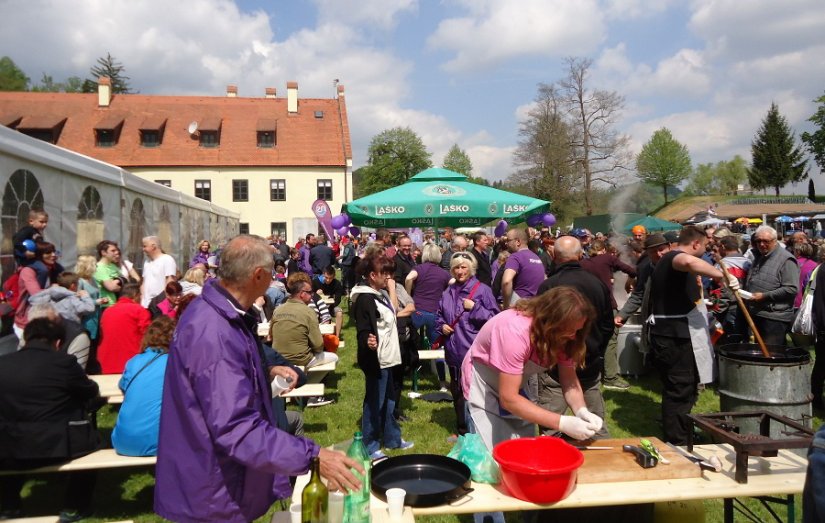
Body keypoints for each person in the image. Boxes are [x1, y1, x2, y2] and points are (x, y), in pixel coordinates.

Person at [155, 235, 361, 522]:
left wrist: (265, 371)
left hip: (216, 478)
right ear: (259, 275)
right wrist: (314, 456)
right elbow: (236, 428)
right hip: (211, 490)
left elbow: (218, 381)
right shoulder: (213, 330)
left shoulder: (222, 315)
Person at [461, 286, 603, 453]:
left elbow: (568, 379)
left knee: (520, 451)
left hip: (515, 384)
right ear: (551, 322)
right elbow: (508, 399)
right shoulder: (515, 331)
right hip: (483, 385)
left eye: (577, 330)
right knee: (489, 458)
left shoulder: (565, 337)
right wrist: (563, 423)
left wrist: (581, 411)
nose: (573, 335)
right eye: (569, 330)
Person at [0, 317, 100, 522]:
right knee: (96, 443)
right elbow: (89, 391)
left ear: (26, 339)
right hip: (57, 446)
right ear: (57, 343)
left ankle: (9, 505)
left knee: (14, 450)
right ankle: (74, 506)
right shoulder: (64, 363)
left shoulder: (3, 364)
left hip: (9, 447)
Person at [647, 225, 736, 445]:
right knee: (679, 389)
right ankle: (677, 441)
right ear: (695, 243)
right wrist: (722, 275)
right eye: (704, 246)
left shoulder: (673, 262)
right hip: (674, 338)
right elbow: (688, 262)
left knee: (684, 389)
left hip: (677, 334)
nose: (705, 250)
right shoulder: (674, 257)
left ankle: (682, 431)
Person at [536, 236, 614, 439]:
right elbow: (608, 325)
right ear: (580, 255)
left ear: (554, 256)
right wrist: (596, 349)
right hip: (581, 361)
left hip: (565, 364)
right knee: (593, 426)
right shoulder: (597, 284)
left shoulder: (548, 286)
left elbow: (539, 327)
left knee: (554, 428)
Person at [350, 251, 414, 460]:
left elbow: (394, 310)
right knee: (374, 402)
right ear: (371, 275)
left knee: (389, 400)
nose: (388, 277)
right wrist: (367, 340)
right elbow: (362, 328)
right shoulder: (364, 298)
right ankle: (369, 445)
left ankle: (392, 439)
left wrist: (392, 288)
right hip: (376, 358)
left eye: (390, 273)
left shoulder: (381, 293)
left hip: (389, 355)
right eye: (384, 273)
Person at [435, 252, 498, 437]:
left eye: (463, 267)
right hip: (453, 351)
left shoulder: (483, 290)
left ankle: (477, 431)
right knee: (457, 391)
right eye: (456, 267)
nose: (460, 271)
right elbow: (439, 314)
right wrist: (442, 326)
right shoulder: (448, 291)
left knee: (475, 393)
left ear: (471, 269)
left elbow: (495, 319)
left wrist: (475, 308)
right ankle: (462, 430)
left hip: (473, 351)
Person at [270, 272, 338, 407]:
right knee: (333, 358)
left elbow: (270, 336)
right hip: (301, 358)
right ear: (302, 294)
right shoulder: (308, 312)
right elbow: (318, 345)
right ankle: (308, 386)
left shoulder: (278, 310)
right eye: (310, 292)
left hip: (278, 358)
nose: (312, 295)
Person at [112, 315, 175, 457]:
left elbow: (123, 387)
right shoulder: (174, 363)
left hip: (121, 441)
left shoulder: (133, 361)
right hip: (156, 442)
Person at [405, 242, 452, 390]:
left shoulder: (418, 268)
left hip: (417, 311)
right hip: (435, 313)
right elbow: (454, 283)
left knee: (409, 343)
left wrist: (408, 297)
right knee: (437, 347)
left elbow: (408, 278)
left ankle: (410, 377)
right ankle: (443, 383)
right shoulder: (444, 273)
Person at [744, 225, 800, 346]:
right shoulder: (760, 257)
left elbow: (791, 289)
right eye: (758, 241)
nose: (762, 244)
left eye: (766, 241)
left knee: (772, 354)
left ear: (775, 241)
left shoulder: (786, 260)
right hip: (758, 313)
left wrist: (764, 296)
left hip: (775, 317)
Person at [97, 283, 151, 374]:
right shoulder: (139, 310)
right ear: (135, 295)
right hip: (131, 365)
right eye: (141, 295)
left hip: (105, 364)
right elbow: (149, 336)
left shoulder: (107, 311)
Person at [501, 228, 546, 309]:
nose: (506, 243)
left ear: (517, 242)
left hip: (518, 305)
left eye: (508, 240)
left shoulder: (515, 257)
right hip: (535, 305)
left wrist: (506, 305)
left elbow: (506, 281)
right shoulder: (536, 257)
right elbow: (545, 278)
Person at [140, 236, 177, 308]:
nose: (143, 249)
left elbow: (170, 281)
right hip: (145, 304)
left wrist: (165, 302)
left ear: (153, 246)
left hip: (159, 304)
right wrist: (142, 298)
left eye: (145, 246)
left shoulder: (167, 259)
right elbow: (144, 282)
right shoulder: (147, 262)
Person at [313, 265, 345, 337]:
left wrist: (331, 304)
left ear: (334, 276)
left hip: (331, 307)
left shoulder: (337, 284)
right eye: (326, 277)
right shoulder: (315, 282)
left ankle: (337, 336)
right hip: (317, 307)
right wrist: (316, 294)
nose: (328, 280)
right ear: (323, 274)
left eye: (330, 278)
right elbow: (310, 296)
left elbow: (338, 299)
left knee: (339, 312)